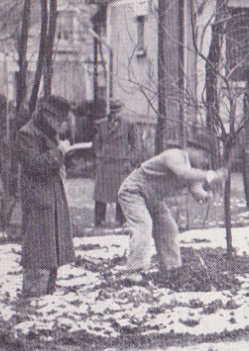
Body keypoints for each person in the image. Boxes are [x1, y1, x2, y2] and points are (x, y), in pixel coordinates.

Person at [116, 134, 226, 279]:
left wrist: (207, 195)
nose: (205, 160)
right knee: (143, 226)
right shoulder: (175, 156)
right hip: (134, 192)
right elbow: (183, 173)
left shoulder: (193, 169)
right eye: (204, 155)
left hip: (153, 199)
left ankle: (172, 270)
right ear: (192, 149)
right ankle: (135, 272)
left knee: (169, 228)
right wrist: (211, 175)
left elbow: (196, 191)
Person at [16, 96, 75, 298]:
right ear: (46, 115)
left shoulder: (48, 132)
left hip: (52, 197)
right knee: (38, 251)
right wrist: (59, 152)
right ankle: (33, 296)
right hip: (38, 199)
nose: (59, 124)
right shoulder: (27, 133)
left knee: (52, 251)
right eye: (57, 119)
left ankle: (47, 295)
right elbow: (34, 164)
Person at [93, 99, 141, 227]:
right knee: (100, 195)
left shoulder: (129, 125)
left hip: (121, 165)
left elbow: (136, 147)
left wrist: (128, 161)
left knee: (121, 193)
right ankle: (99, 221)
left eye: (118, 111)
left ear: (122, 111)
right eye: (113, 111)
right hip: (105, 164)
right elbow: (96, 144)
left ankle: (122, 221)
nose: (115, 114)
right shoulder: (101, 125)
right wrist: (99, 157)